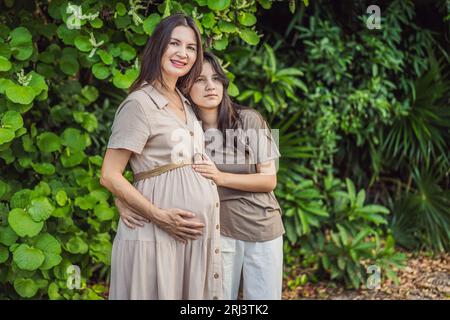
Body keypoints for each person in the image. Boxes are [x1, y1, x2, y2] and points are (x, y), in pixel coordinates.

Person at [100, 14, 222, 300]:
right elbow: (109, 173)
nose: (183, 53)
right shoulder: (139, 104)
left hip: (188, 240)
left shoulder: (184, 100)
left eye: (191, 47)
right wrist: (159, 216)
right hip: (155, 235)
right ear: (158, 46)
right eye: (174, 43)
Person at [188, 52, 285, 300]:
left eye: (216, 78)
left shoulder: (249, 119)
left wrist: (220, 177)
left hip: (262, 227)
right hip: (219, 230)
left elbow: (269, 180)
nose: (210, 86)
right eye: (199, 80)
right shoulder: (186, 132)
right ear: (185, 87)